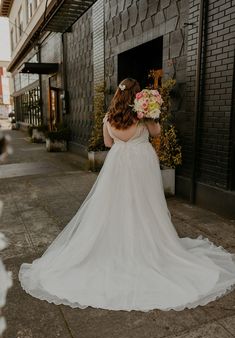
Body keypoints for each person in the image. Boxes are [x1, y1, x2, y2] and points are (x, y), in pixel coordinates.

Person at [19, 78, 235, 312]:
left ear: (118, 96)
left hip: (118, 164)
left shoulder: (109, 118)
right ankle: (148, 244)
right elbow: (157, 132)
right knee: (145, 204)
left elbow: (108, 143)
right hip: (142, 164)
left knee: (114, 205)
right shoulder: (143, 116)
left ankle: (116, 242)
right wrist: (152, 115)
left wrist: (123, 141)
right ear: (137, 95)